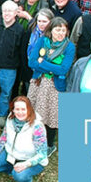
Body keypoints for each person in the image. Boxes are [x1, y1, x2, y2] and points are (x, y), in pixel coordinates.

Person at [0, 96, 48, 182]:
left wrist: (26, 164)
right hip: (11, 154)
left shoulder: (37, 126)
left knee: (19, 175)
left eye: (23, 109)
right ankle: (11, 167)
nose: (20, 112)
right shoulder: (10, 118)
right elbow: (3, 138)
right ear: (13, 110)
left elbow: (42, 154)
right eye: (17, 109)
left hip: (29, 159)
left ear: (29, 109)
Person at [27, 17, 75, 146]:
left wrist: (43, 63)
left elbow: (63, 70)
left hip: (54, 86)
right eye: (57, 30)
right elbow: (31, 62)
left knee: (51, 115)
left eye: (63, 30)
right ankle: (32, 138)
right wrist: (53, 68)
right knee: (33, 110)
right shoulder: (42, 41)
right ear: (51, 30)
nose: (60, 33)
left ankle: (49, 144)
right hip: (38, 82)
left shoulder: (69, 47)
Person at [0, 0, 27, 126]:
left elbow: (21, 50)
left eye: (10, 11)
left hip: (9, 68)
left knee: (6, 92)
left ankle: (1, 114)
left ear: (16, 13)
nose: (7, 13)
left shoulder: (19, 30)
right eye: (5, 10)